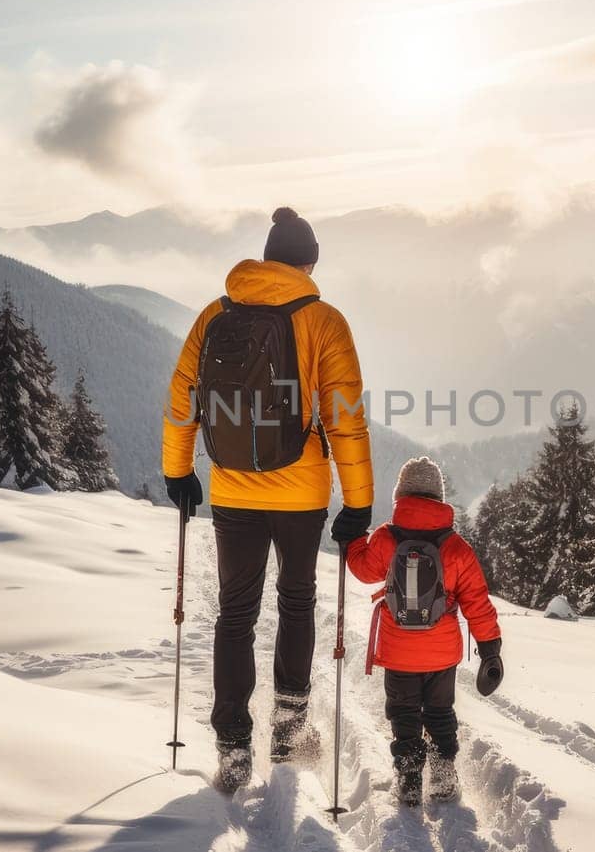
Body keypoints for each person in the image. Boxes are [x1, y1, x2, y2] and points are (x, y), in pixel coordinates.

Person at [161, 206, 374, 793]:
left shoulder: (214, 314)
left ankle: (233, 745)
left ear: (264, 257)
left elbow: (183, 397)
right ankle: (288, 726)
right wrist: (357, 504)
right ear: (307, 264)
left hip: (231, 485)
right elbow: (346, 420)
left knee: (236, 613)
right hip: (301, 490)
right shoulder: (323, 320)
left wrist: (178, 472)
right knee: (297, 601)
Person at [345, 456, 503, 806]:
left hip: (399, 651)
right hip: (441, 653)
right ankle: (444, 774)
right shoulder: (456, 547)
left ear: (401, 495)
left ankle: (409, 777)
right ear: (439, 498)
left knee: (404, 716)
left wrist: (353, 539)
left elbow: (362, 569)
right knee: (440, 713)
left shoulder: (387, 537)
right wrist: (490, 648)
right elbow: (477, 602)